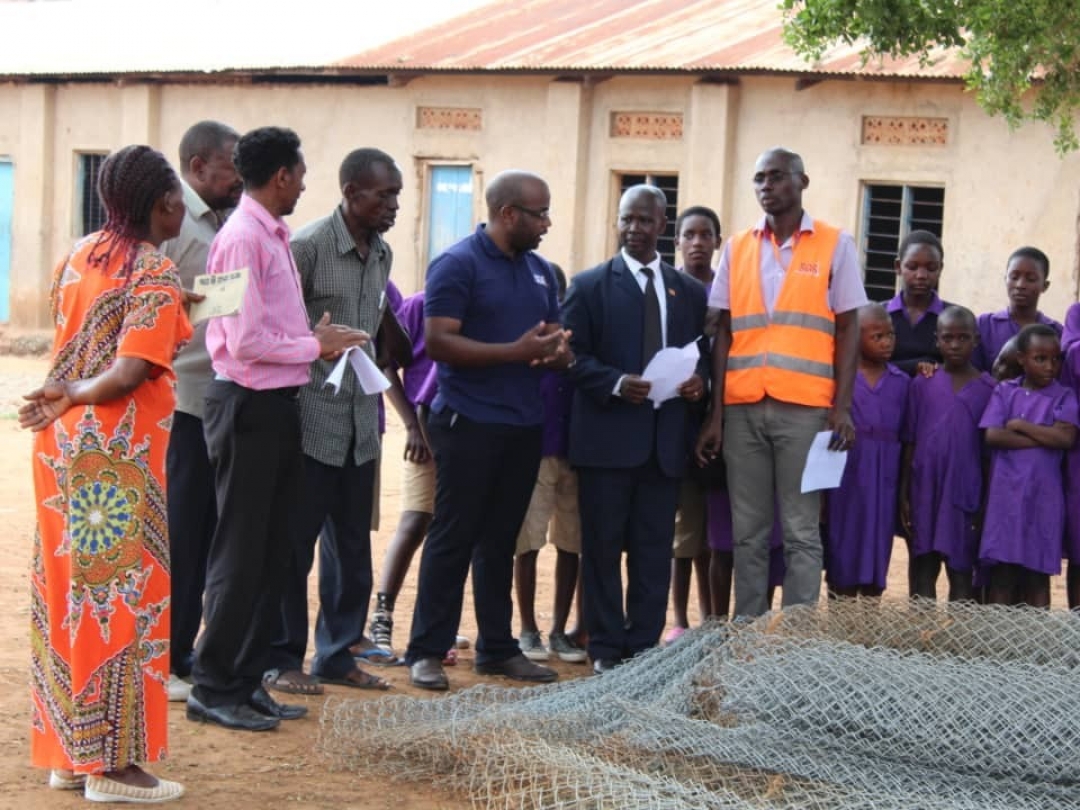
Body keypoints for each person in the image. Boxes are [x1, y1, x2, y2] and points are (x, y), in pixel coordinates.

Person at [20, 145, 190, 802]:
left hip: (62, 450)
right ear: (161, 203)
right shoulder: (153, 269)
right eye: (177, 199)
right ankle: (112, 766)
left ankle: (69, 755)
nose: (182, 210)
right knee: (119, 601)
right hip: (113, 459)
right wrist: (78, 391)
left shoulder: (80, 254)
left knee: (68, 598)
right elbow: (127, 372)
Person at [187, 127, 368, 731]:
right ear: (283, 176)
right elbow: (240, 341)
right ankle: (213, 685)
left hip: (275, 405)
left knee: (273, 552)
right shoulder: (241, 238)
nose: (304, 186)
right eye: (301, 175)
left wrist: (310, 340)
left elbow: (260, 329)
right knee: (241, 553)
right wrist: (315, 346)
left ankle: (245, 679)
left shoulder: (269, 233)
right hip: (246, 406)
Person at [404, 170, 569, 691]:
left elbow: (552, 337)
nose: (547, 223)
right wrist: (516, 352)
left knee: (501, 540)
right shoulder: (457, 264)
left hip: (523, 425)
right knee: (454, 536)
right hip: (467, 421)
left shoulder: (540, 271)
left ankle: (497, 649)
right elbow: (439, 342)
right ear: (508, 214)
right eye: (539, 214)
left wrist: (557, 352)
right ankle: (427, 650)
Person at [696, 147, 867, 618]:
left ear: (802, 181)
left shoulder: (835, 243)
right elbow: (723, 330)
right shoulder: (737, 247)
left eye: (776, 176)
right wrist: (716, 414)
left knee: (800, 532)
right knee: (747, 533)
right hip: (743, 408)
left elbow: (849, 327)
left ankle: (795, 641)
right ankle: (748, 635)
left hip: (807, 410)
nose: (766, 186)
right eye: (759, 178)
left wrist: (842, 407)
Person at [262, 148, 402, 695]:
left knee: (351, 550)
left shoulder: (383, 253)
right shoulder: (308, 247)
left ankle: (336, 654)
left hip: (360, 423)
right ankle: (281, 657)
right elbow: (274, 327)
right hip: (310, 419)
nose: (393, 206)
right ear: (350, 192)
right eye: (383, 195)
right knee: (293, 549)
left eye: (397, 196)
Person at [563, 184, 709, 674]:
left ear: (662, 226)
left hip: (664, 447)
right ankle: (606, 647)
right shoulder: (589, 286)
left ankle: (643, 648)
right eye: (627, 219)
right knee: (602, 550)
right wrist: (615, 382)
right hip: (605, 443)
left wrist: (700, 382)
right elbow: (570, 357)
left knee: (652, 552)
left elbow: (701, 355)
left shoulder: (688, 292)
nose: (634, 229)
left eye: (645, 220)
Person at [160, 119, 243, 703]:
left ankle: (184, 651)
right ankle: (164, 655)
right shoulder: (174, 224)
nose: (240, 177)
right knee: (181, 536)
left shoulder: (222, 223)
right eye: (232, 165)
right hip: (180, 402)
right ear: (198, 167)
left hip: (215, 397)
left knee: (205, 535)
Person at [514, 263, 587, 664]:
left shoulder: (576, 340)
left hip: (575, 453)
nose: (555, 302)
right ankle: (528, 628)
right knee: (529, 540)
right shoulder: (527, 340)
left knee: (571, 543)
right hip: (537, 450)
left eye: (560, 295)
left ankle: (560, 630)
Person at [900, 306, 994, 602]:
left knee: (961, 571)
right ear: (937, 340)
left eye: (963, 338)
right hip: (925, 488)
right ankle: (921, 632)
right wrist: (904, 494)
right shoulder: (922, 384)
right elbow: (910, 442)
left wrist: (985, 502)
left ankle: (960, 633)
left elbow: (988, 454)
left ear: (976, 340)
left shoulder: (988, 389)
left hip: (965, 491)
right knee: (923, 569)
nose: (955, 345)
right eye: (948, 338)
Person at [979, 324, 1078, 607]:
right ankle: (998, 636)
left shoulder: (1064, 395)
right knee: (1003, 574)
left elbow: (1065, 438)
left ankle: (1035, 637)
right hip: (1005, 498)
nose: (1050, 366)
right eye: (1040, 359)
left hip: (1043, 498)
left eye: (1055, 359)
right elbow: (994, 435)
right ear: (1022, 359)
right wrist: (1045, 437)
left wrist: (1021, 425)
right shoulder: (1005, 391)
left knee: (1037, 576)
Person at [823, 304, 908, 598]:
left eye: (890, 335)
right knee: (843, 542)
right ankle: (839, 614)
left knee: (878, 544)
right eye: (877, 336)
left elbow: (907, 434)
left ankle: (871, 615)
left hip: (885, 476)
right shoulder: (838, 379)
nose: (887, 342)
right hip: (847, 474)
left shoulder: (901, 382)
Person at [667, 205, 720, 643]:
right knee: (684, 532)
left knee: (710, 530)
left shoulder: (726, 293)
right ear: (678, 242)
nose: (698, 242)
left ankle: (711, 617)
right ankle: (680, 620)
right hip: (677, 421)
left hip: (720, 422)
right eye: (690, 235)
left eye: (706, 235)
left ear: (717, 242)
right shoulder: (668, 290)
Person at [972, 247, 1062, 372]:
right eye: (1014, 277)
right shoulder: (984, 325)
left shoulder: (1056, 332)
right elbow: (971, 373)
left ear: (1045, 286)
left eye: (1031, 279)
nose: (1020, 285)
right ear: (1005, 279)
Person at [887, 230, 949, 375]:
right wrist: (914, 366)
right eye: (912, 267)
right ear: (898, 267)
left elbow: (962, 370)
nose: (921, 275)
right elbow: (865, 366)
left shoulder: (954, 318)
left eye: (931, 268)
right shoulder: (878, 316)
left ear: (940, 269)